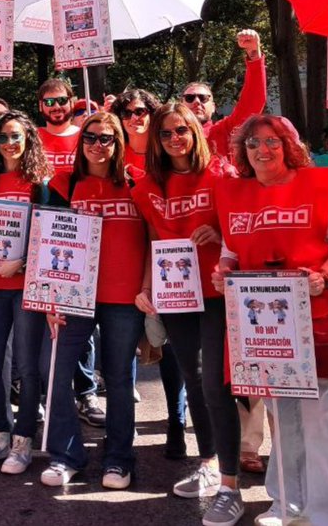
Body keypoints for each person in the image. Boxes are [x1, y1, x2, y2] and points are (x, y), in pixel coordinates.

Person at [212, 114, 328, 526]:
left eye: (272, 141)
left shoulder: (321, 185)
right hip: (262, 327)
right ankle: (287, 504)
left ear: (289, 145)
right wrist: (223, 270)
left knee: (320, 420)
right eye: (253, 144)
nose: (262, 150)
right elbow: (230, 250)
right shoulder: (233, 194)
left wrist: (325, 276)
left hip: (316, 319)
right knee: (284, 418)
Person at [132, 103, 245, 525]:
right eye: (165, 134)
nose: (175, 138)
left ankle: (230, 481)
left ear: (195, 131)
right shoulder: (146, 187)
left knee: (216, 383)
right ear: (156, 142)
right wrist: (146, 288)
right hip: (176, 295)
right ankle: (210, 463)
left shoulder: (220, 174)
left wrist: (219, 232)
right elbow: (149, 239)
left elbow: (243, 226)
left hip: (216, 292)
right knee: (193, 379)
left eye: (182, 130)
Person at [41, 112, 146, 490]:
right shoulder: (64, 184)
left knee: (118, 379)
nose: (97, 145)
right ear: (80, 141)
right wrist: (50, 298)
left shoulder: (137, 182)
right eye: (90, 137)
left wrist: (148, 288)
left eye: (106, 138)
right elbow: (47, 241)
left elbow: (154, 240)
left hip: (124, 298)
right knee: (55, 373)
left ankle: (119, 459)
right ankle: (66, 455)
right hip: (73, 296)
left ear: (119, 143)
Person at [0, 111, 51, 474]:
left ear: (29, 138)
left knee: (27, 368)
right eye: (2, 138)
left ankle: (23, 442)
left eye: (16, 136)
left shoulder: (40, 183)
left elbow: (51, 235)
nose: (9, 144)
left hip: (24, 287)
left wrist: (20, 262)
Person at [36, 78, 104, 427]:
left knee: (82, 316)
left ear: (73, 101)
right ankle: (49, 394)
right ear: (40, 107)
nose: (56, 107)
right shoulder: (32, 137)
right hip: (44, 232)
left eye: (61, 100)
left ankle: (87, 390)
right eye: (49, 102)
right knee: (53, 318)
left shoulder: (85, 136)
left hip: (84, 228)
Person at [181, 30, 266, 161]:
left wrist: (254, 54)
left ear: (214, 107)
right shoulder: (167, 136)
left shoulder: (225, 130)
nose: (197, 102)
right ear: (181, 105)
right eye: (190, 98)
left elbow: (252, 102)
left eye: (203, 98)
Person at [112, 88, 160, 176]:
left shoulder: (163, 152)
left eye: (140, 111)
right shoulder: (114, 154)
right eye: (126, 113)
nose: (134, 118)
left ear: (151, 115)